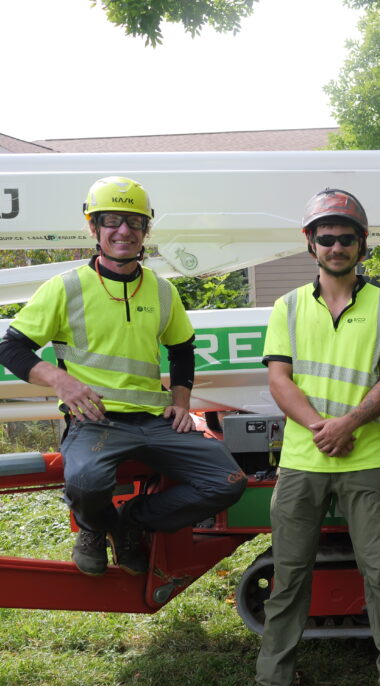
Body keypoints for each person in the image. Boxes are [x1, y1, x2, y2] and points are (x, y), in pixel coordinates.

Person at [228, 189, 380, 686]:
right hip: (304, 460)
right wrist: (318, 427)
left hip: (365, 459)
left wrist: (348, 425)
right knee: (287, 578)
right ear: (310, 243)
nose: (337, 246)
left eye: (347, 237)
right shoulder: (287, 306)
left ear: (362, 245)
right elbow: (279, 380)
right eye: (326, 237)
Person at [0, 176, 246, 577]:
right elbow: (10, 346)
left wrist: (182, 402)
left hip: (156, 421)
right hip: (97, 423)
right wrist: (60, 382)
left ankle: (130, 521)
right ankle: (96, 528)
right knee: (84, 482)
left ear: (146, 230)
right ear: (93, 228)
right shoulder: (66, 289)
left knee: (228, 481)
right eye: (111, 220)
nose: (123, 231)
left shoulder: (163, 291)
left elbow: (181, 349)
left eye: (134, 222)